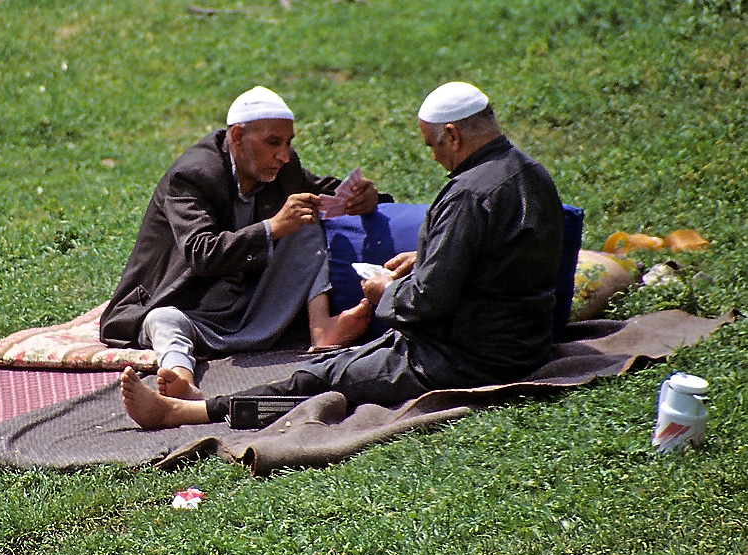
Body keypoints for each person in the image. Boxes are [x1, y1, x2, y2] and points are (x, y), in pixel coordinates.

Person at [119, 81, 565, 429]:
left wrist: (386, 289)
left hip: (466, 356)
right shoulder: (532, 173)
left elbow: (426, 304)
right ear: (238, 137)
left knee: (324, 381)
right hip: (519, 345)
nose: (433, 158)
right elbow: (498, 263)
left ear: (452, 134)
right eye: (273, 144)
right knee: (332, 363)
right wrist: (426, 260)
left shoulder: (467, 194)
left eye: (431, 146)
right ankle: (197, 384)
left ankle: (190, 413)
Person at [101, 86, 381, 401]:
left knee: (305, 218)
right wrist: (272, 227)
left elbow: (323, 191)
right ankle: (180, 378)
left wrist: (366, 197)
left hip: (249, 302)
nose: (283, 155)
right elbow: (201, 253)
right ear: (237, 136)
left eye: (288, 144)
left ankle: (322, 329)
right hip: (190, 306)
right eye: (273, 143)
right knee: (164, 321)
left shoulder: (280, 168)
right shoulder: (192, 176)